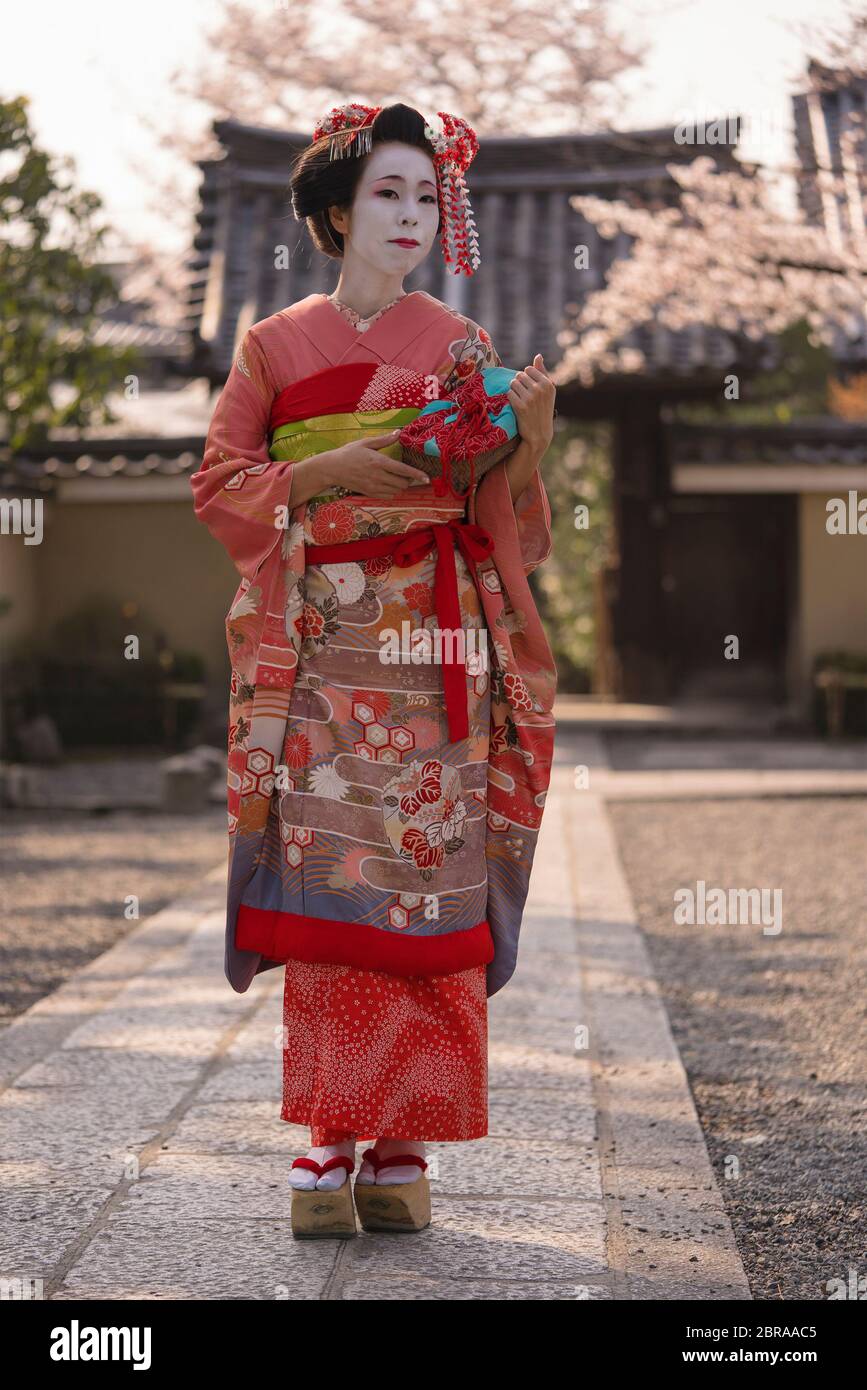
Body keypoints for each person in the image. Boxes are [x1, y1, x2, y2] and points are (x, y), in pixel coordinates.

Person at [190, 101, 557, 1237]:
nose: (410, 215)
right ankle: (326, 1136)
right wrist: (324, 470)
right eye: (388, 194)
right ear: (340, 213)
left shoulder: (459, 344)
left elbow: (508, 520)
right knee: (337, 882)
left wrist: (529, 444)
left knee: (425, 882)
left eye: (424, 196)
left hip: (436, 638)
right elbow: (217, 482)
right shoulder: (273, 344)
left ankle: (403, 1141)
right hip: (323, 648)